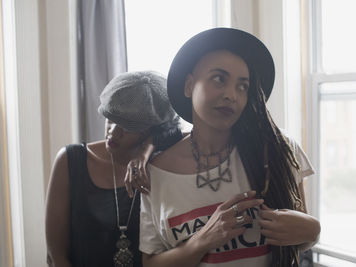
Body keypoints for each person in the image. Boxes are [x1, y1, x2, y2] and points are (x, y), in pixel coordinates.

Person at [139, 28, 321, 267]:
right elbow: (150, 263)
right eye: (219, 79)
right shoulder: (155, 174)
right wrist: (201, 241)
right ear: (188, 85)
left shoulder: (276, 151)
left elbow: (299, 238)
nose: (231, 95)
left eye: (242, 86)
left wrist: (313, 231)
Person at [45, 71, 183, 267]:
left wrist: (146, 151)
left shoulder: (161, 164)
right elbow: (56, 256)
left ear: (151, 131)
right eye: (111, 119)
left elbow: (180, 132)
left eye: (127, 127)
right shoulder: (70, 160)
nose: (113, 132)